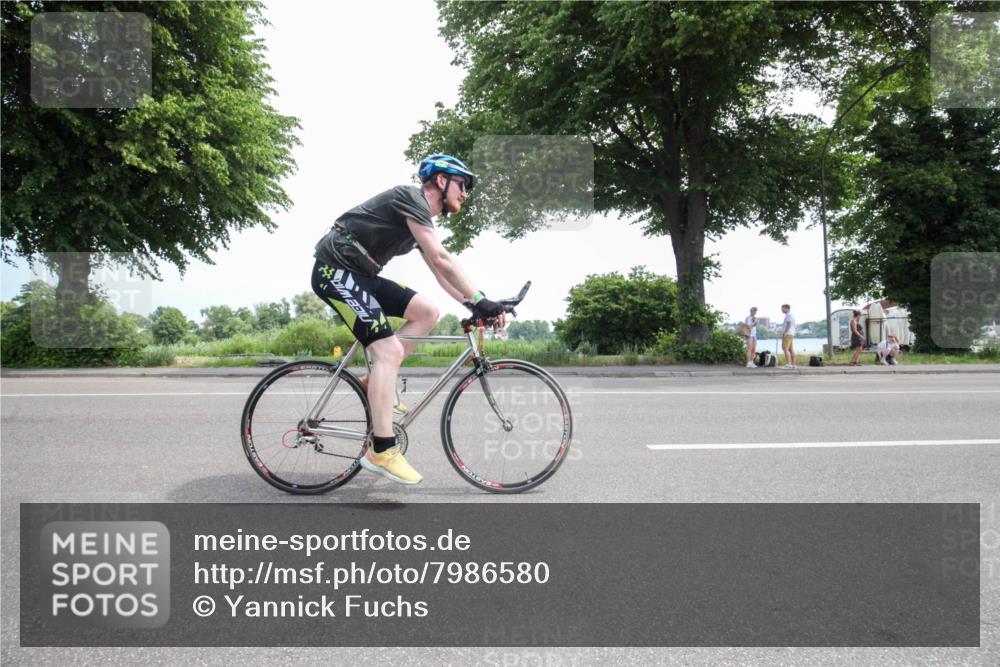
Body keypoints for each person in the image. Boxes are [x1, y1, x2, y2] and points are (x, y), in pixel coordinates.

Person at [311, 154, 505, 485]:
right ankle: (382, 450)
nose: (465, 194)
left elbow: (441, 274)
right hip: (335, 271)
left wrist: (472, 305)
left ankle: (373, 381)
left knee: (427, 312)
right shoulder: (410, 197)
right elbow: (442, 258)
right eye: (463, 185)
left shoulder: (418, 221)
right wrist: (481, 300)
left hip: (362, 275)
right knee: (389, 351)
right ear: (441, 181)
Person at [780, 303, 796, 368]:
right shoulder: (790, 315)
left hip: (787, 334)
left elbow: (789, 324)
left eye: (783, 308)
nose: (781, 310)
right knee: (790, 349)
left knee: (785, 348)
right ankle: (793, 364)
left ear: (787, 308)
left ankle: (789, 364)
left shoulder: (789, 315)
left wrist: (784, 333)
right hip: (791, 334)